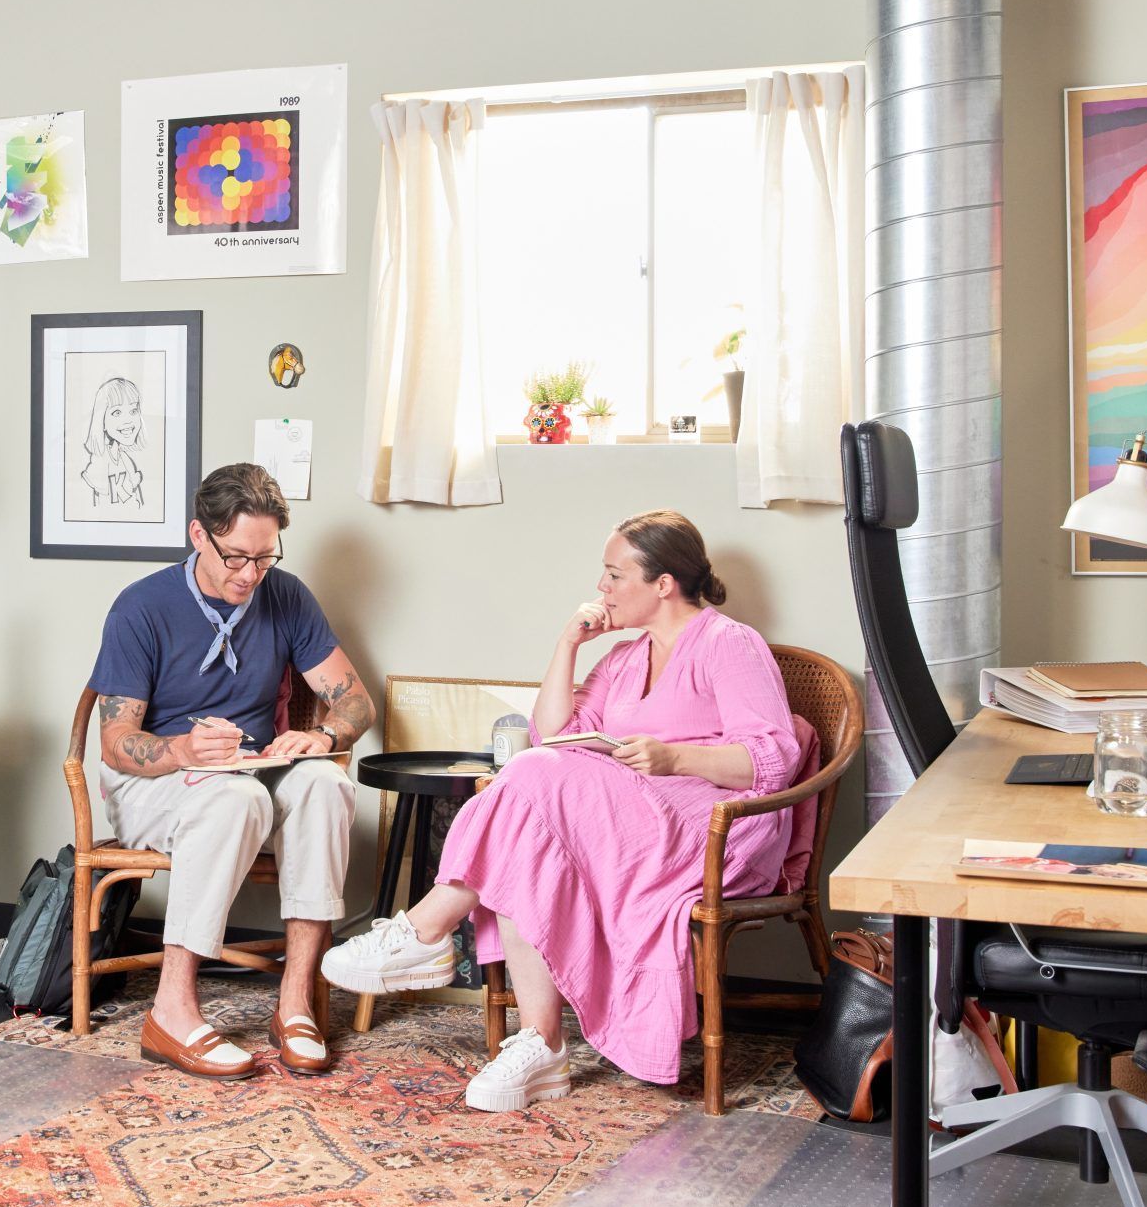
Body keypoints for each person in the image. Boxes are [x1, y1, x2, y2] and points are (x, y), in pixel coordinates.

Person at [323, 511, 813, 1110]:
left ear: (663, 584)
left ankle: (427, 932)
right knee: (525, 832)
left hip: (710, 831)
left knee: (529, 788)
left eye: (615, 575)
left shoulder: (729, 644)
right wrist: (568, 644)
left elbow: (774, 758)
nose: (601, 588)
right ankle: (540, 1043)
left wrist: (675, 758)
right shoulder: (626, 657)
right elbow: (553, 735)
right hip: (632, 821)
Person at [88, 462, 374, 1080]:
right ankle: (171, 1011)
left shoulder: (286, 595)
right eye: (236, 557)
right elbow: (115, 744)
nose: (250, 574)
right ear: (199, 534)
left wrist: (322, 735)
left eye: (265, 558)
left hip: (251, 772)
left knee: (326, 784)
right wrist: (184, 750)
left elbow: (356, 702)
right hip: (155, 783)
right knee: (237, 801)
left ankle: (295, 1004)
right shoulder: (142, 606)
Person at [80, 377, 146, 509]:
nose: (128, 420)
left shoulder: (125, 459)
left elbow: (137, 503)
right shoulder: (100, 459)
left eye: (133, 411)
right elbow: (101, 504)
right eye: (117, 412)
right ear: (102, 421)